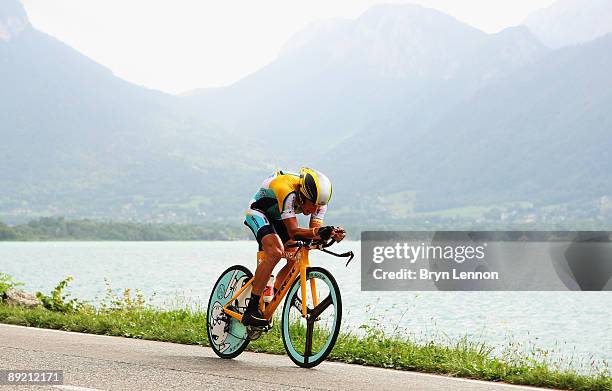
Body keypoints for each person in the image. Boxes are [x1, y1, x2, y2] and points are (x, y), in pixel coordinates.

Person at [242, 167, 346, 327]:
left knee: (294, 258)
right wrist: (319, 232)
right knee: (275, 253)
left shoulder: (319, 203)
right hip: (258, 212)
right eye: (312, 205)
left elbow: (314, 234)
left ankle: (270, 301)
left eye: (318, 207)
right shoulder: (287, 190)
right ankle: (251, 309)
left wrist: (329, 234)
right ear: (303, 195)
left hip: (279, 217)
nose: (314, 210)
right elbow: (294, 231)